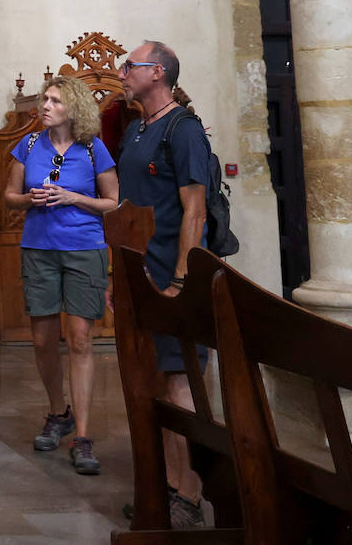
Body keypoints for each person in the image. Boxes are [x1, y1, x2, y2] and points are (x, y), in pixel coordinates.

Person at [115, 40, 211, 528]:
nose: (122, 73)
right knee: (151, 383)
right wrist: (118, 277)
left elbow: (195, 209)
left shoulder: (184, 129)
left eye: (129, 65)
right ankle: (166, 486)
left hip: (173, 279)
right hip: (139, 275)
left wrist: (181, 279)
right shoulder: (136, 130)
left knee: (179, 384)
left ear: (157, 72)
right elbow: (126, 208)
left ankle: (189, 496)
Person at [4, 74, 119, 476]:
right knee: (42, 340)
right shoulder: (28, 145)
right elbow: (9, 197)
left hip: (84, 249)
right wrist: (28, 198)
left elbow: (113, 202)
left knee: (81, 339)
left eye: (54, 101)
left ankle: (83, 436)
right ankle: (58, 412)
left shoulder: (93, 149)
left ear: (74, 108)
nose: (46, 106)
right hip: (39, 249)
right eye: (45, 100)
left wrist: (73, 197)